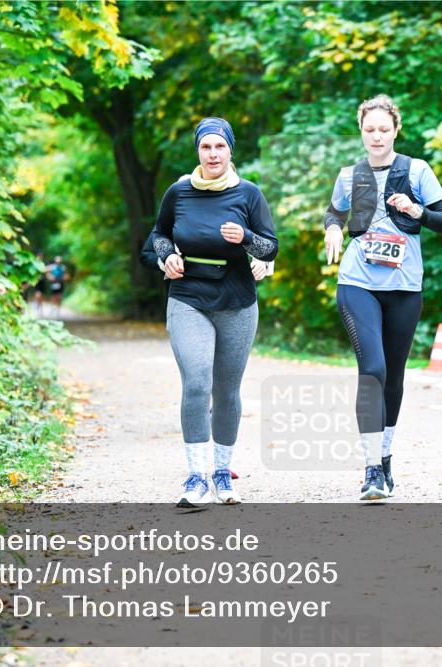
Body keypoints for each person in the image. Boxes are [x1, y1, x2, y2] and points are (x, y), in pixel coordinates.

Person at [323, 95, 442, 501]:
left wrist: (417, 211)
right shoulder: (350, 175)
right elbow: (334, 212)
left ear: (396, 130)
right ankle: (370, 470)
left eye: (384, 129)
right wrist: (332, 229)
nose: (376, 136)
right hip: (357, 282)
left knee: (393, 375)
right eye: (369, 129)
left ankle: (385, 458)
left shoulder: (416, 170)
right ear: (361, 131)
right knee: (373, 369)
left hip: (404, 287)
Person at [153, 117, 278, 507]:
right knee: (196, 382)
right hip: (188, 297)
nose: (212, 154)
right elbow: (158, 234)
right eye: (205, 147)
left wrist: (247, 238)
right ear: (198, 152)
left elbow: (270, 249)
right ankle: (195, 477)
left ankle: (222, 473)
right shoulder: (179, 192)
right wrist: (167, 254)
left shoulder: (249, 194)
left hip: (237, 301)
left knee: (227, 389)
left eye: (219, 147)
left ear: (230, 150)